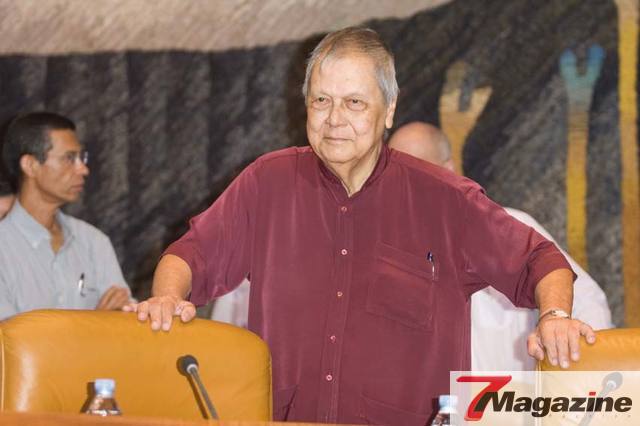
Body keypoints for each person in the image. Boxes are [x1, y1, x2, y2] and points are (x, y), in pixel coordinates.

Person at [126, 27, 595, 424]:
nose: (335, 120)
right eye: (321, 100)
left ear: (388, 110)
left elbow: (541, 259)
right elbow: (190, 254)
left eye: (354, 102)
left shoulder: (446, 200)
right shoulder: (267, 182)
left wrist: (554, 318)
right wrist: (167, 297)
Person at [388, 121, 613, 371]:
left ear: (448, 170)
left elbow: (588, 303)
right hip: (443, 395)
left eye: (419, 170)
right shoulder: (389, 248)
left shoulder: (510, 227)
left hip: (519, 393)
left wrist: (577, 374)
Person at [0, 112, 131, 320]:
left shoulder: (93, 241)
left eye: (81, 158)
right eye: (69, 158)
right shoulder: (4, 249)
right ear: (30, 165)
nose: (83, 169)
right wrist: (95, 323)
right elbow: (10, 338)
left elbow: (127, 321)